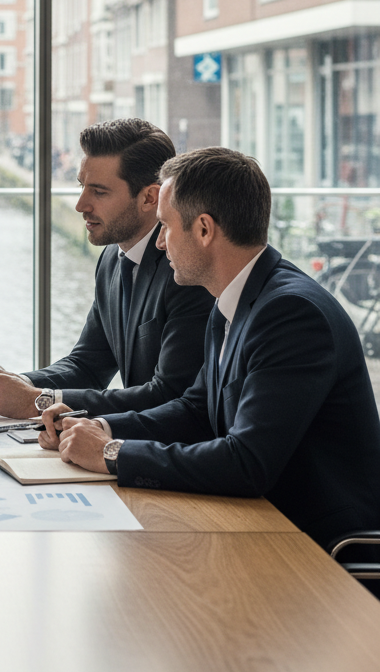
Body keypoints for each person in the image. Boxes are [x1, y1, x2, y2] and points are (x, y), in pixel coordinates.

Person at [44, 147, 380, 547]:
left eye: (166, 227)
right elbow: (196, 409)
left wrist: (113, 452)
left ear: (204, 229)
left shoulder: (291, 314)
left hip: (319, 548)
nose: (162, 244)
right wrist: (99, 426)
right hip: (257, 522)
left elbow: (246, 463)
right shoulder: (233, 299)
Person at [0, 119, 214, 419]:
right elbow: (88, 364)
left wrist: (38, 400)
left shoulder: (186, 270)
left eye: (99, 192)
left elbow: (170, 395)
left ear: (150, 197)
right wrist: (18, 383)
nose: (80, 204)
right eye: (82, 186)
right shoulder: (111, 258)